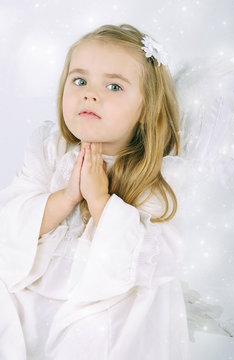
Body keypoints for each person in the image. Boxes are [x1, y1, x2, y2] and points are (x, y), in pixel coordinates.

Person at [0, 23, 207, 360]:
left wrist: (99, 200)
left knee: (93, 337)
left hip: (105, 306)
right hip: (33, 289)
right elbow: (9, 221)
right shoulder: (50, 150)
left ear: (146, 110)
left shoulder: (156, 175)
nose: (90, 94)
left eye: (113, 86)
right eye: (79, 80)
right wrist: (68, 196)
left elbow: (154, 262)